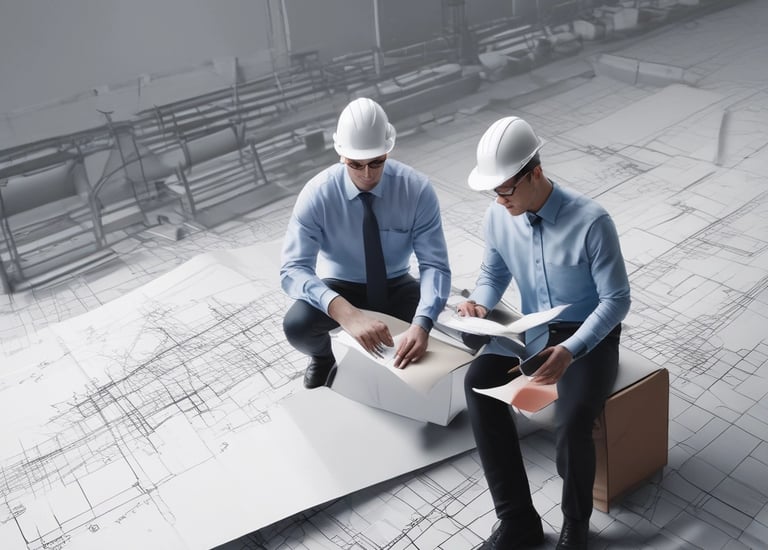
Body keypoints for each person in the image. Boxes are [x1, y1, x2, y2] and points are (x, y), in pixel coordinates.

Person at [458, 116, 631, 550]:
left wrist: (572, 351)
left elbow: (616, 300)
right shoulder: (499, 218)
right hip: (532, 330)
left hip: (588, 337)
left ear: (535, 173)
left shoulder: (592, 222)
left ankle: (576, 524)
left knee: (572, 421)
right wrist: (479, 301)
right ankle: (517, 520)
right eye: (492, 192)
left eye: (505, 190)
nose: (498, 201)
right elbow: (492, 273)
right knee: (477, 383)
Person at [280, 97, 451, 388]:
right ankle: (322, 358)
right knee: (297, 325)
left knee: (451, 329)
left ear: (388, 150)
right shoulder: (317, 194)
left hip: (397, 284)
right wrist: (346, 314)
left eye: (376, 162)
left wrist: (422, 323)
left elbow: (434, 265)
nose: (367, 174)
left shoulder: (417, 190)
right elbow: (293, 270)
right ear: (340, 155)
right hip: (342, 288)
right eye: (355, 164)